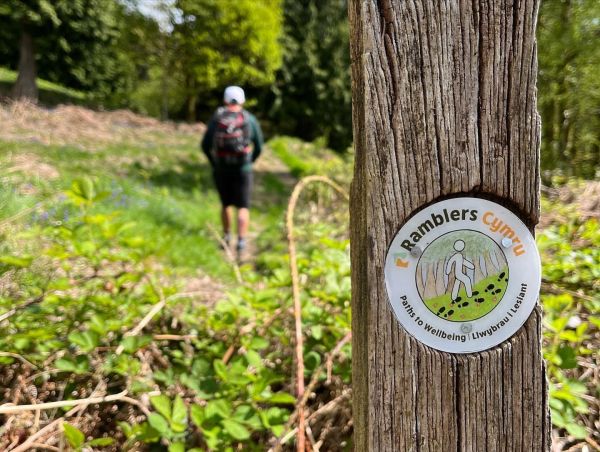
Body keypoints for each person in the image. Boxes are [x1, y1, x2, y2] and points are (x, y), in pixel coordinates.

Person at [201, 86, 263, 256]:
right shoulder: (249, 119)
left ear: (225, 100)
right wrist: (250, 161)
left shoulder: (217, 119)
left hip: (221, 168)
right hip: (243, 169)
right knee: (243, 206)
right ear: (242, 101)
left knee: (226, 204)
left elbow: (205, 145)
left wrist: (215, 162)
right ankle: (241, 242)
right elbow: (259, 146)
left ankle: (227, 237)